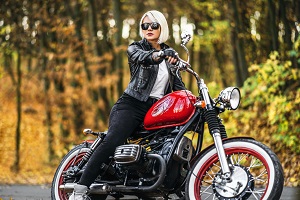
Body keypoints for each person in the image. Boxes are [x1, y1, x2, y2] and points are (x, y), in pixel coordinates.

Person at [69, 10, 185, 200]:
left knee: (167, 143)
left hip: (156, 110)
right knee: (113, 140)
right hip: (131, 105)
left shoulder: (170, 56)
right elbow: (145, 58)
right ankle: (80, 188)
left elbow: (178, 88)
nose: (149, 29)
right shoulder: (135, 48)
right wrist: (162, 54)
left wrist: (194, 99)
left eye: (153, 25)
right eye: (144, 25)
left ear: (162, 27)